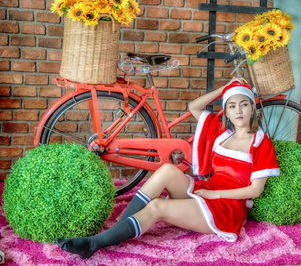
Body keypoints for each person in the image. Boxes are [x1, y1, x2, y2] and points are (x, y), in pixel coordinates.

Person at [56, 77, 280, 259]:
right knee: (166, 170)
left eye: (244, 104)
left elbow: (255, 190)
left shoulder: (260, 142)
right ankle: (118, 230)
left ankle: (94, 244)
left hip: (225, 209)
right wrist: (225, 87)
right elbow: (194, 106)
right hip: (207, 189)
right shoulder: (221, 133)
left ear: (252, 107)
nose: (238, 111)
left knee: (157, 207)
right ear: (227, 112)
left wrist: (215, 194)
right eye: (232, 105)